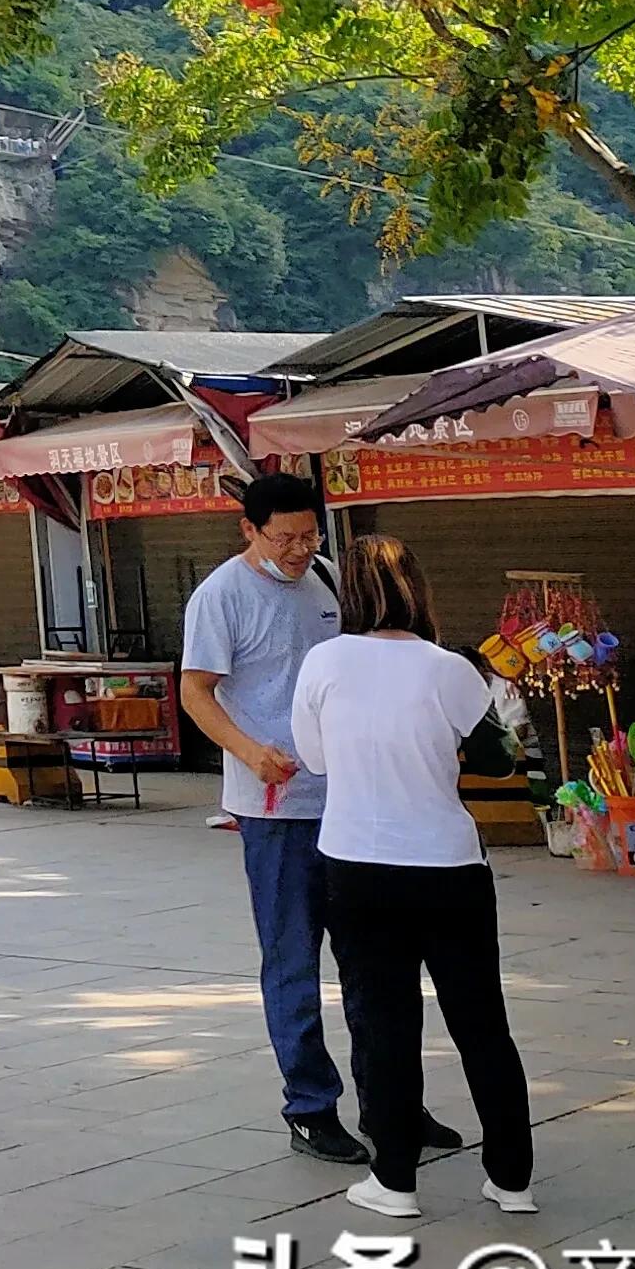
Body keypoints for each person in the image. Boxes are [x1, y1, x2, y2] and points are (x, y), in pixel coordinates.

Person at [290, 534, 539, 1222]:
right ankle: (512, 1178)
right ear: (417, 591)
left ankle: (394, 1179)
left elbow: (312, 758)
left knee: (388, 1022)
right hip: (450, 866)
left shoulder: (325, 662)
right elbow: (498, 759)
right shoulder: (449, 668)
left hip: (358, 865)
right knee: (482, 1023)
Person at [180, 471, 381, 1164]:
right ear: (249, 529)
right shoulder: (221, 596)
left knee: (369, 958)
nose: (299, 550)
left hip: (348, 801)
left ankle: (389, 1103)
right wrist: (247, 750)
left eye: (309, 534)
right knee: (293, 957)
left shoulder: (324, 578)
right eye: (284, 537)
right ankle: (310, 1107)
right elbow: (196, 692)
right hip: (277, 810)